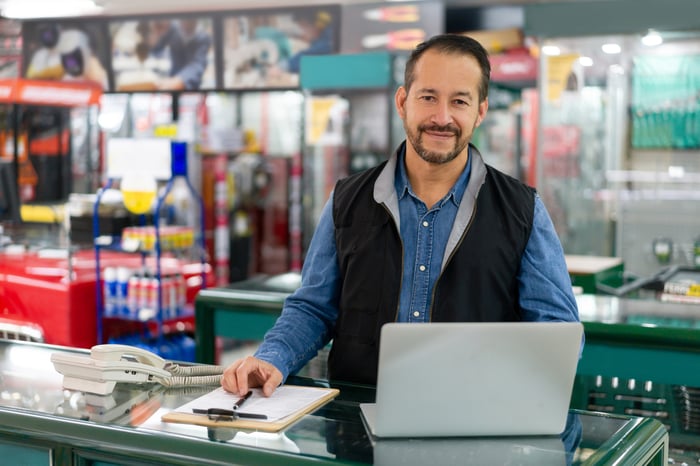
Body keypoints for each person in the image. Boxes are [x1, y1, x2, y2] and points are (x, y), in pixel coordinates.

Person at [222, 33, 581, 397]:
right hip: (357, 428)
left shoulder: (522, 210)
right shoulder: (347, 200)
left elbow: (558, 331)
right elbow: (313, 308)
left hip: (474, 428)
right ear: (402, 101)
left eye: (459, 101)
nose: (442, 117)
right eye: (428, 97)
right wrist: (272, 358)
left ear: (480, 112)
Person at [149, 19, 212, 90]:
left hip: (190, 86)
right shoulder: (173, 28)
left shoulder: (203, 37)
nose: (183, 23)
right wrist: (156, 35)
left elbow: (198, 64)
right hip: (171, 78)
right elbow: (156, 50)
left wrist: (180, 80)